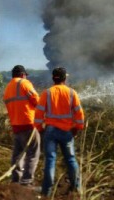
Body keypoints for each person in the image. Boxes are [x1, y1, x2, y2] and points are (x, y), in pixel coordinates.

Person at [34, 67, 85, 197]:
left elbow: (39, 112)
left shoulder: (47, 93)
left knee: (50, 160)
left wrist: (40, 128)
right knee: (71, 159)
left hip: (50, 132)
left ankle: (47, 191)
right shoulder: (72, 93)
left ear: (53, 78)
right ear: (65, 78)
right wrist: (77, 128)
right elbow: (79, 113)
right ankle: (77, 188)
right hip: (67, 131)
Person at [2, 64, 41, 186]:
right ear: (23, 75)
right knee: (33, 153)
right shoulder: (24, 83)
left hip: (16, 125)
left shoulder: (8, 88)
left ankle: (16, 180)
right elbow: (37, 101)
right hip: (28, 123)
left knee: (18, 154)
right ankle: (27, 182)